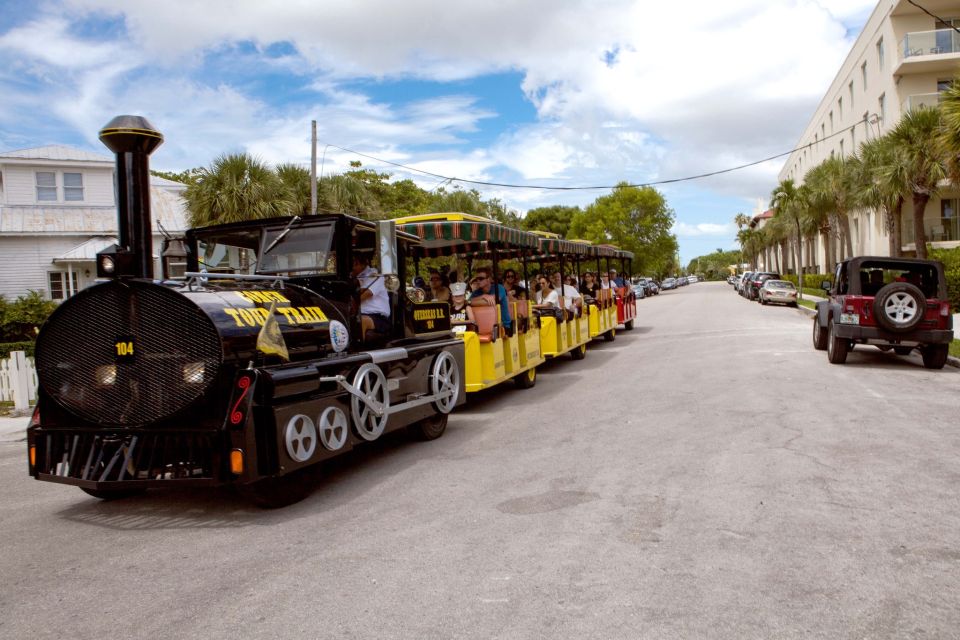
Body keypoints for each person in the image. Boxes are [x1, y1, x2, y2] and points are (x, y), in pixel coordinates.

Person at [352, 253, 391, 338]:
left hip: (377, 316)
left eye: (353, 265)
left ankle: (358, 349)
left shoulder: (374, 274)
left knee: (361, 322)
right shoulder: (354, 277)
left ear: (357, 263)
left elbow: (366, 293)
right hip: (358, 314)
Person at [468, 266, 513, 335]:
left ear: (488, 279)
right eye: (477, 279)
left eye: (481, 279)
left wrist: (473, 302)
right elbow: (468, 302)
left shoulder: (499, 288)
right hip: (481, 326)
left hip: (503, 327)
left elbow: (493, 302)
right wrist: (483, 296)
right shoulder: (477, 292)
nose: (478, 281)